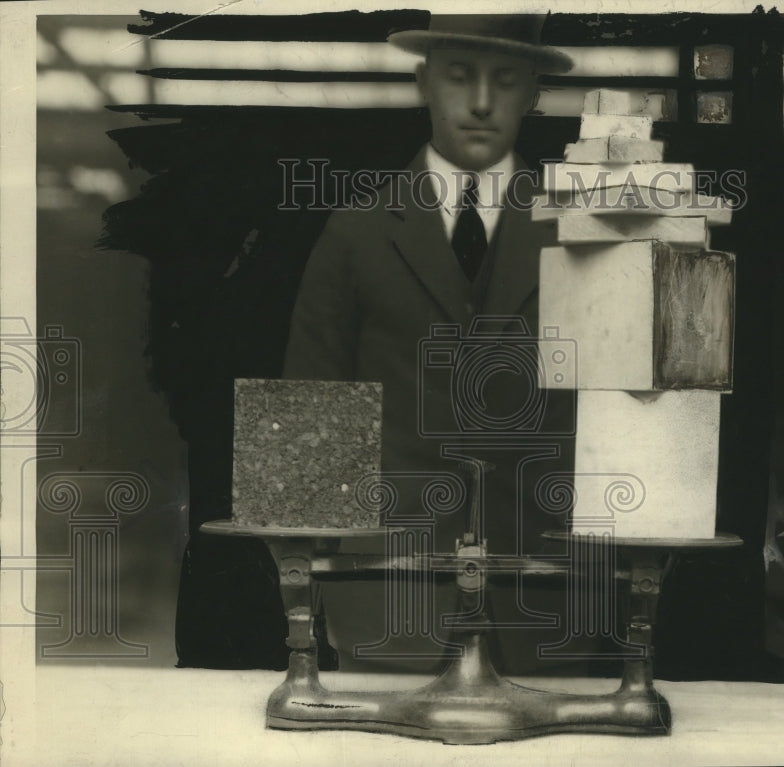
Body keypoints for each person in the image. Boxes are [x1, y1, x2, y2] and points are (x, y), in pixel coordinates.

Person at [283, 14, 610, 676]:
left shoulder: (586, 235)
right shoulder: (356, 233)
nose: (482, 102)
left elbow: (613, 419)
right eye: (460, 77)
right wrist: (308, 586)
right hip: (386, 596)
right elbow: (311, 416)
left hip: (545, 598)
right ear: (421, 82)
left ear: (536, 94)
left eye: (508, 80)